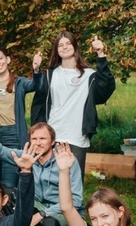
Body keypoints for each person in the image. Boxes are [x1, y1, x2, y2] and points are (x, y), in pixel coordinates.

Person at [0, 121, 83, 226]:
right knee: (9, 196)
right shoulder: (27, 156)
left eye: (43, 139)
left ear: (52, 141)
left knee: (49, 224)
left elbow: (76, 201)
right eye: (34, 139)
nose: (38, 143)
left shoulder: (66, 161)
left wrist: (42, 214)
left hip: (63, 210)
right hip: (36, 204)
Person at [31, 32, 115, 174]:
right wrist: (36, 71)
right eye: (60, 45)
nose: (64, 47)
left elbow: (106, 88)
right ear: (56, 50)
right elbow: (38, 101)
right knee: (50, 181)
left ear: (75, 47)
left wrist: (101, 54)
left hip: (77, 137)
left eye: (68, 43)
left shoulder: (88, 75)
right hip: (52, 136)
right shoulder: (50, 75)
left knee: (74, 184)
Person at [0, 48, 42, 191]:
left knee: (9, 185)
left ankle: (10, 212)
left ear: (8, 60)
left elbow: (36, 85)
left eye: (0, 58)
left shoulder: (19, 83)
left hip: (13, 137)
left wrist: (36, 70)